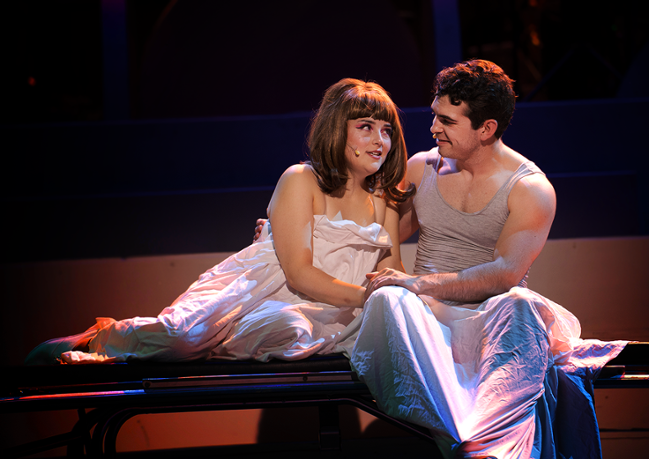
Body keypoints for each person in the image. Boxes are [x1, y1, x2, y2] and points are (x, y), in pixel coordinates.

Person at [24, 77, 414, 365]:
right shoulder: (301, 179)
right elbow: (299, 274)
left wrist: (394, 294)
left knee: (295, 332)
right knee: (183, 336)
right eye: (365, 127)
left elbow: (391, 270)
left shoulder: (385, 198)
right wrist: (367, 297)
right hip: (260, 290)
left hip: (333, 310)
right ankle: (97, 340)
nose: (379, 140)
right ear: (336, 130)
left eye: (386, 131)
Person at [347, 60, 627, 459]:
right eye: (434, 116)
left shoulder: (529, 188)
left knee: (521, 303)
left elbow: (504, 274)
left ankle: (491, 447)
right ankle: (465, 438)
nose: (433, 128)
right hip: (425, 324)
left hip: (493, 324)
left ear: (486, 128)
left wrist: (418, 282)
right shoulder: (422, 168)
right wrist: (280, 232)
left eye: (447, 121)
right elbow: (371, 233)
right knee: (387, 298)